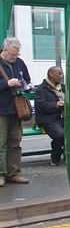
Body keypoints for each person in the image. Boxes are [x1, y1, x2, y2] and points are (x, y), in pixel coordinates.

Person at [0, 37, 32, 186]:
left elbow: (26, 78)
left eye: (16, 55)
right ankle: (0, 175)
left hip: (16, 109)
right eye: (12, 54)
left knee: (15, 142)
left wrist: (27, 85)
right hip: (1, 109)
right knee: (0, 143)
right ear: (4, 50)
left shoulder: (19, 63)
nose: (14, 58)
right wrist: (6, 83)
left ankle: (14, 173)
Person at [34, 66, 65, 166]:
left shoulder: (63, 88)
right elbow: (41, 105)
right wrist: (56, 104)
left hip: (61, 117)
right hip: (48, 119)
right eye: (59, 74)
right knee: (60, 135)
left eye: (62, 74)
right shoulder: (41, 89)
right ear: (51, 74)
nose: (61, 76)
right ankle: (55, 158)